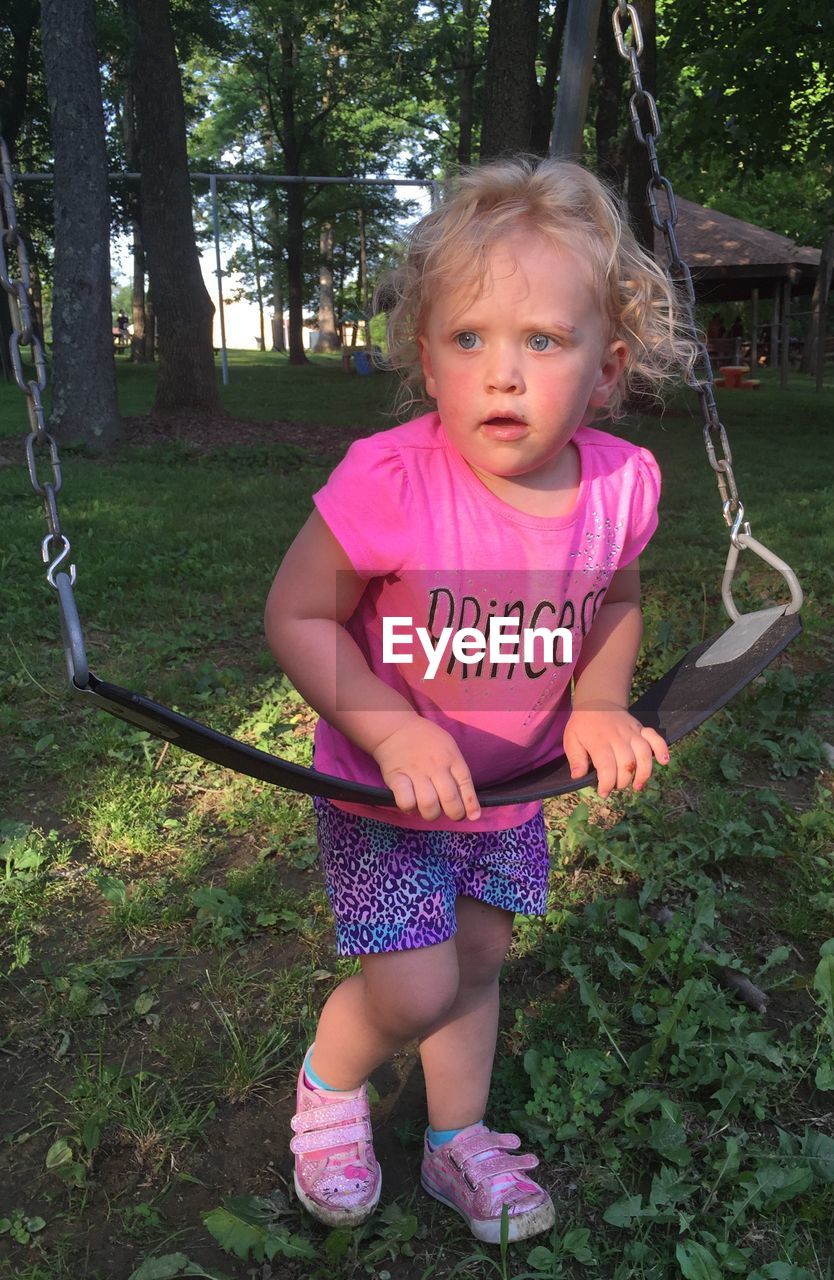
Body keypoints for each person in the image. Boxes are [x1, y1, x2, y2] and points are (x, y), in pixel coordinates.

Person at [264, 156, 692, 1244]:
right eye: (471, 340)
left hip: (511, 792)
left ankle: (456, 1137)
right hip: (383, 792)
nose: (503, 374)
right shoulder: (390, 481)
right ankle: (332, 1077)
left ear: (606, 369)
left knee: (480, 962)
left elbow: (619, 599)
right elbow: (298, 615)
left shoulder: (619, 486)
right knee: (409, 989)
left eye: (543, 341)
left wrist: (601, 698)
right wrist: (391, 724)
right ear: (427, 356)